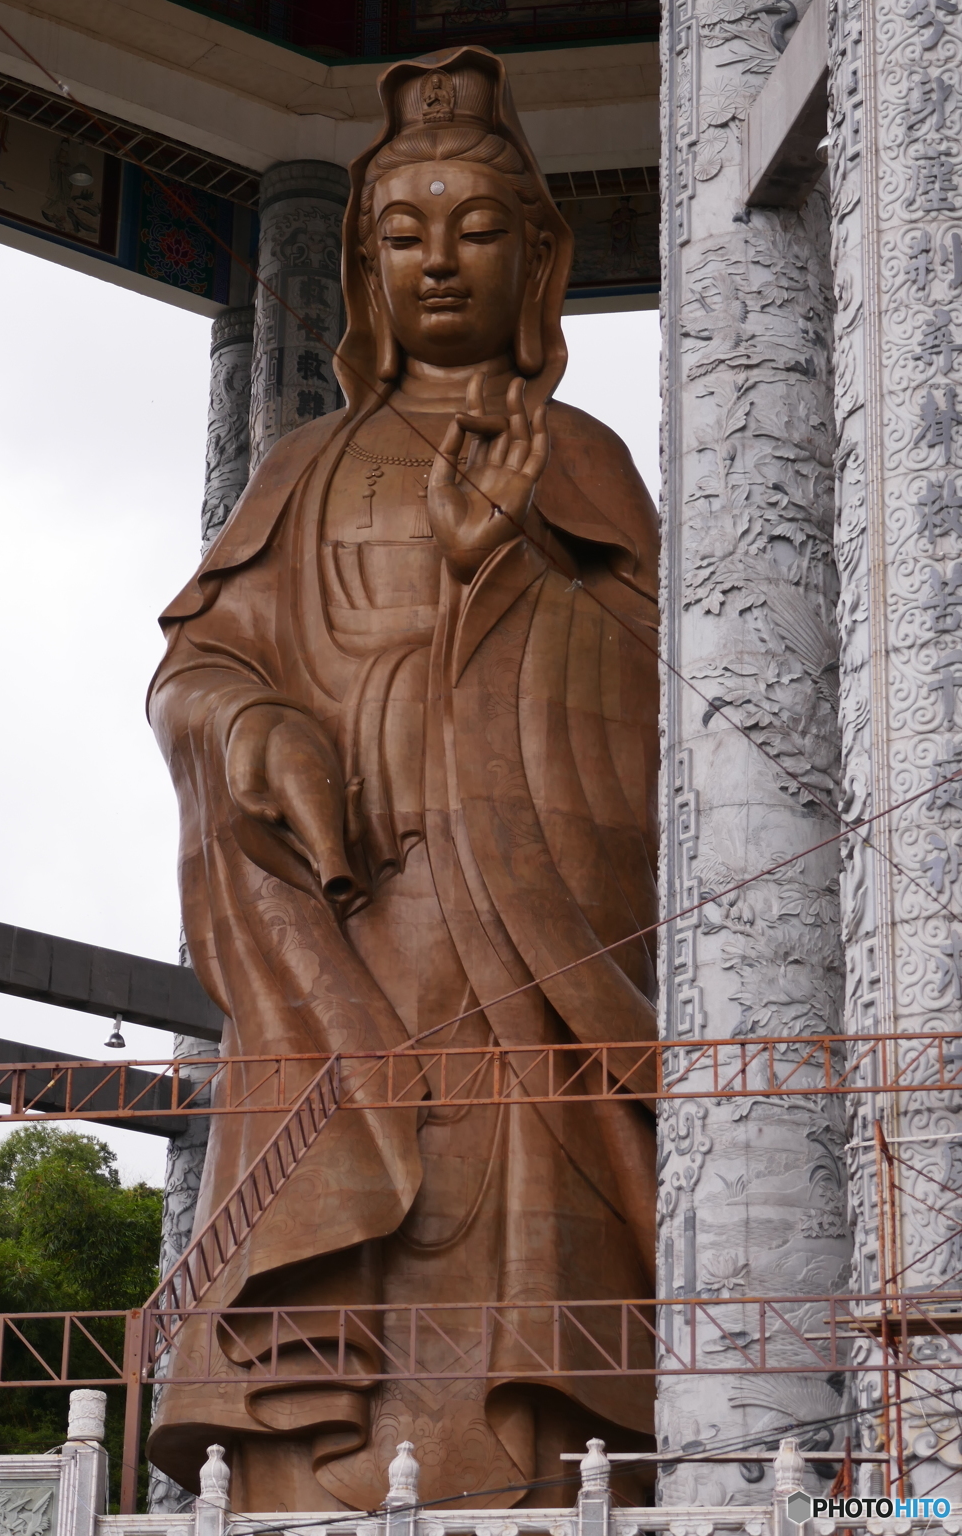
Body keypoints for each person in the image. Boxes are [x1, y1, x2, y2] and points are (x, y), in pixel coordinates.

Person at [147, 45, 660, 1514]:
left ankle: (543, 1451)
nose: (439, 260)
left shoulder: (584, 460)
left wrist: (503, 574)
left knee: (519, 1224)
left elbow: (672, 699)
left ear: (538, 255)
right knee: (334, 1222)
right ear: (365, 264)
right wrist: (258, 734)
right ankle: (313, 1447)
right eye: (403, 233)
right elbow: (196, 664)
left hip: (525, 927)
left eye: (477, 228)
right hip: (340, 919)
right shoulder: (306, 465)